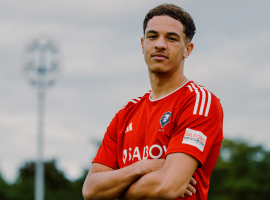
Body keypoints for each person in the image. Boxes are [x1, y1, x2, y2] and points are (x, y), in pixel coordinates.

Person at [82, 4, 223, 200]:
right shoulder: (125, 114)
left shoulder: (198, 102)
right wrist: (142, 167)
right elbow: (91, 190)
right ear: (142, 44)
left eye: (171, 38)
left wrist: (114, 190)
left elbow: (168, 187)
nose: (160, 44)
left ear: (187, 50)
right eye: (152, 36)